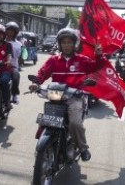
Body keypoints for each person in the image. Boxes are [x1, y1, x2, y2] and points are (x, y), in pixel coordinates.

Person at [29, 27, 104, 162]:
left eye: (69, 42)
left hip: (74, 97)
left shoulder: (82, 60)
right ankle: (41, 144)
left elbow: (96, 66)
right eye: (64, 42)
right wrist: (36, 83)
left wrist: (99, 55)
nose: (66, 45)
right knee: (46, 119)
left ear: (74, 44)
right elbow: (42, 73)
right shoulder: (54, 60)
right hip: (56, 95)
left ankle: (83, 148)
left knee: (75, 123)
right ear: (60, 44)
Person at [5, 21, 22, 104]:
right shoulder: (0, 41)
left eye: (12, 30)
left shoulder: (19, 44)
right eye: (8, 30)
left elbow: (21, 56)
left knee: (16, 77)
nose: (10, 32)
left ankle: (14, 95)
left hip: (12, 66)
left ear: (15, 32)